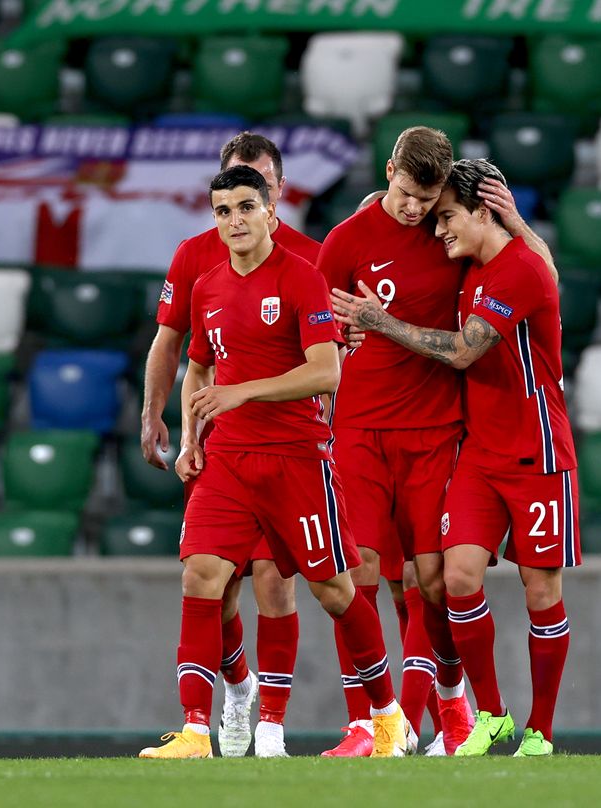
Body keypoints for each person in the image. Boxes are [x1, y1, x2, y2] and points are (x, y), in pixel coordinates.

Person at [139, 165, 408, 760]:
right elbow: (201, 370)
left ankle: (388, 717)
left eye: (244, 207)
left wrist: (244, 391)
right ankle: (193, 730)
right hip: (229, 458)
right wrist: (191, 438)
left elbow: (326, 372)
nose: (233, 220)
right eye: (222, 211)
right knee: (201, 576)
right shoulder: (206, 285)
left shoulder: (302, 279)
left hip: (296, 459)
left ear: (269, 212)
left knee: (336, 592)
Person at [316, 127, 555, 756]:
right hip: (362, 430)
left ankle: (449, 703)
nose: (416, 210)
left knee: (430, 579)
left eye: (428, 200)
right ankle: (372, 722)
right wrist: (341, 343)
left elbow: (534, 271)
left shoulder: (452, 238)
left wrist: (514, 219)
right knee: (358, 573)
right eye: (405, 193)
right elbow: (314, 327)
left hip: (437, 428)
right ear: (389, 169)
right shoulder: (348, 238)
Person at [141, 132, 318, 757]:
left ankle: (269, 720)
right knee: (212, 583)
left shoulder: (310, 261)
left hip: (290, 446)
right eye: (229, 195)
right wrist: (161, 418)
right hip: (221, 442)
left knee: (274, 578)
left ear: (277, 193)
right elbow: (178, 348)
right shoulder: (196, 257)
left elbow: (333, 360)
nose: (239, 213)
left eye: (255, 191)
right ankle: (234, 687)